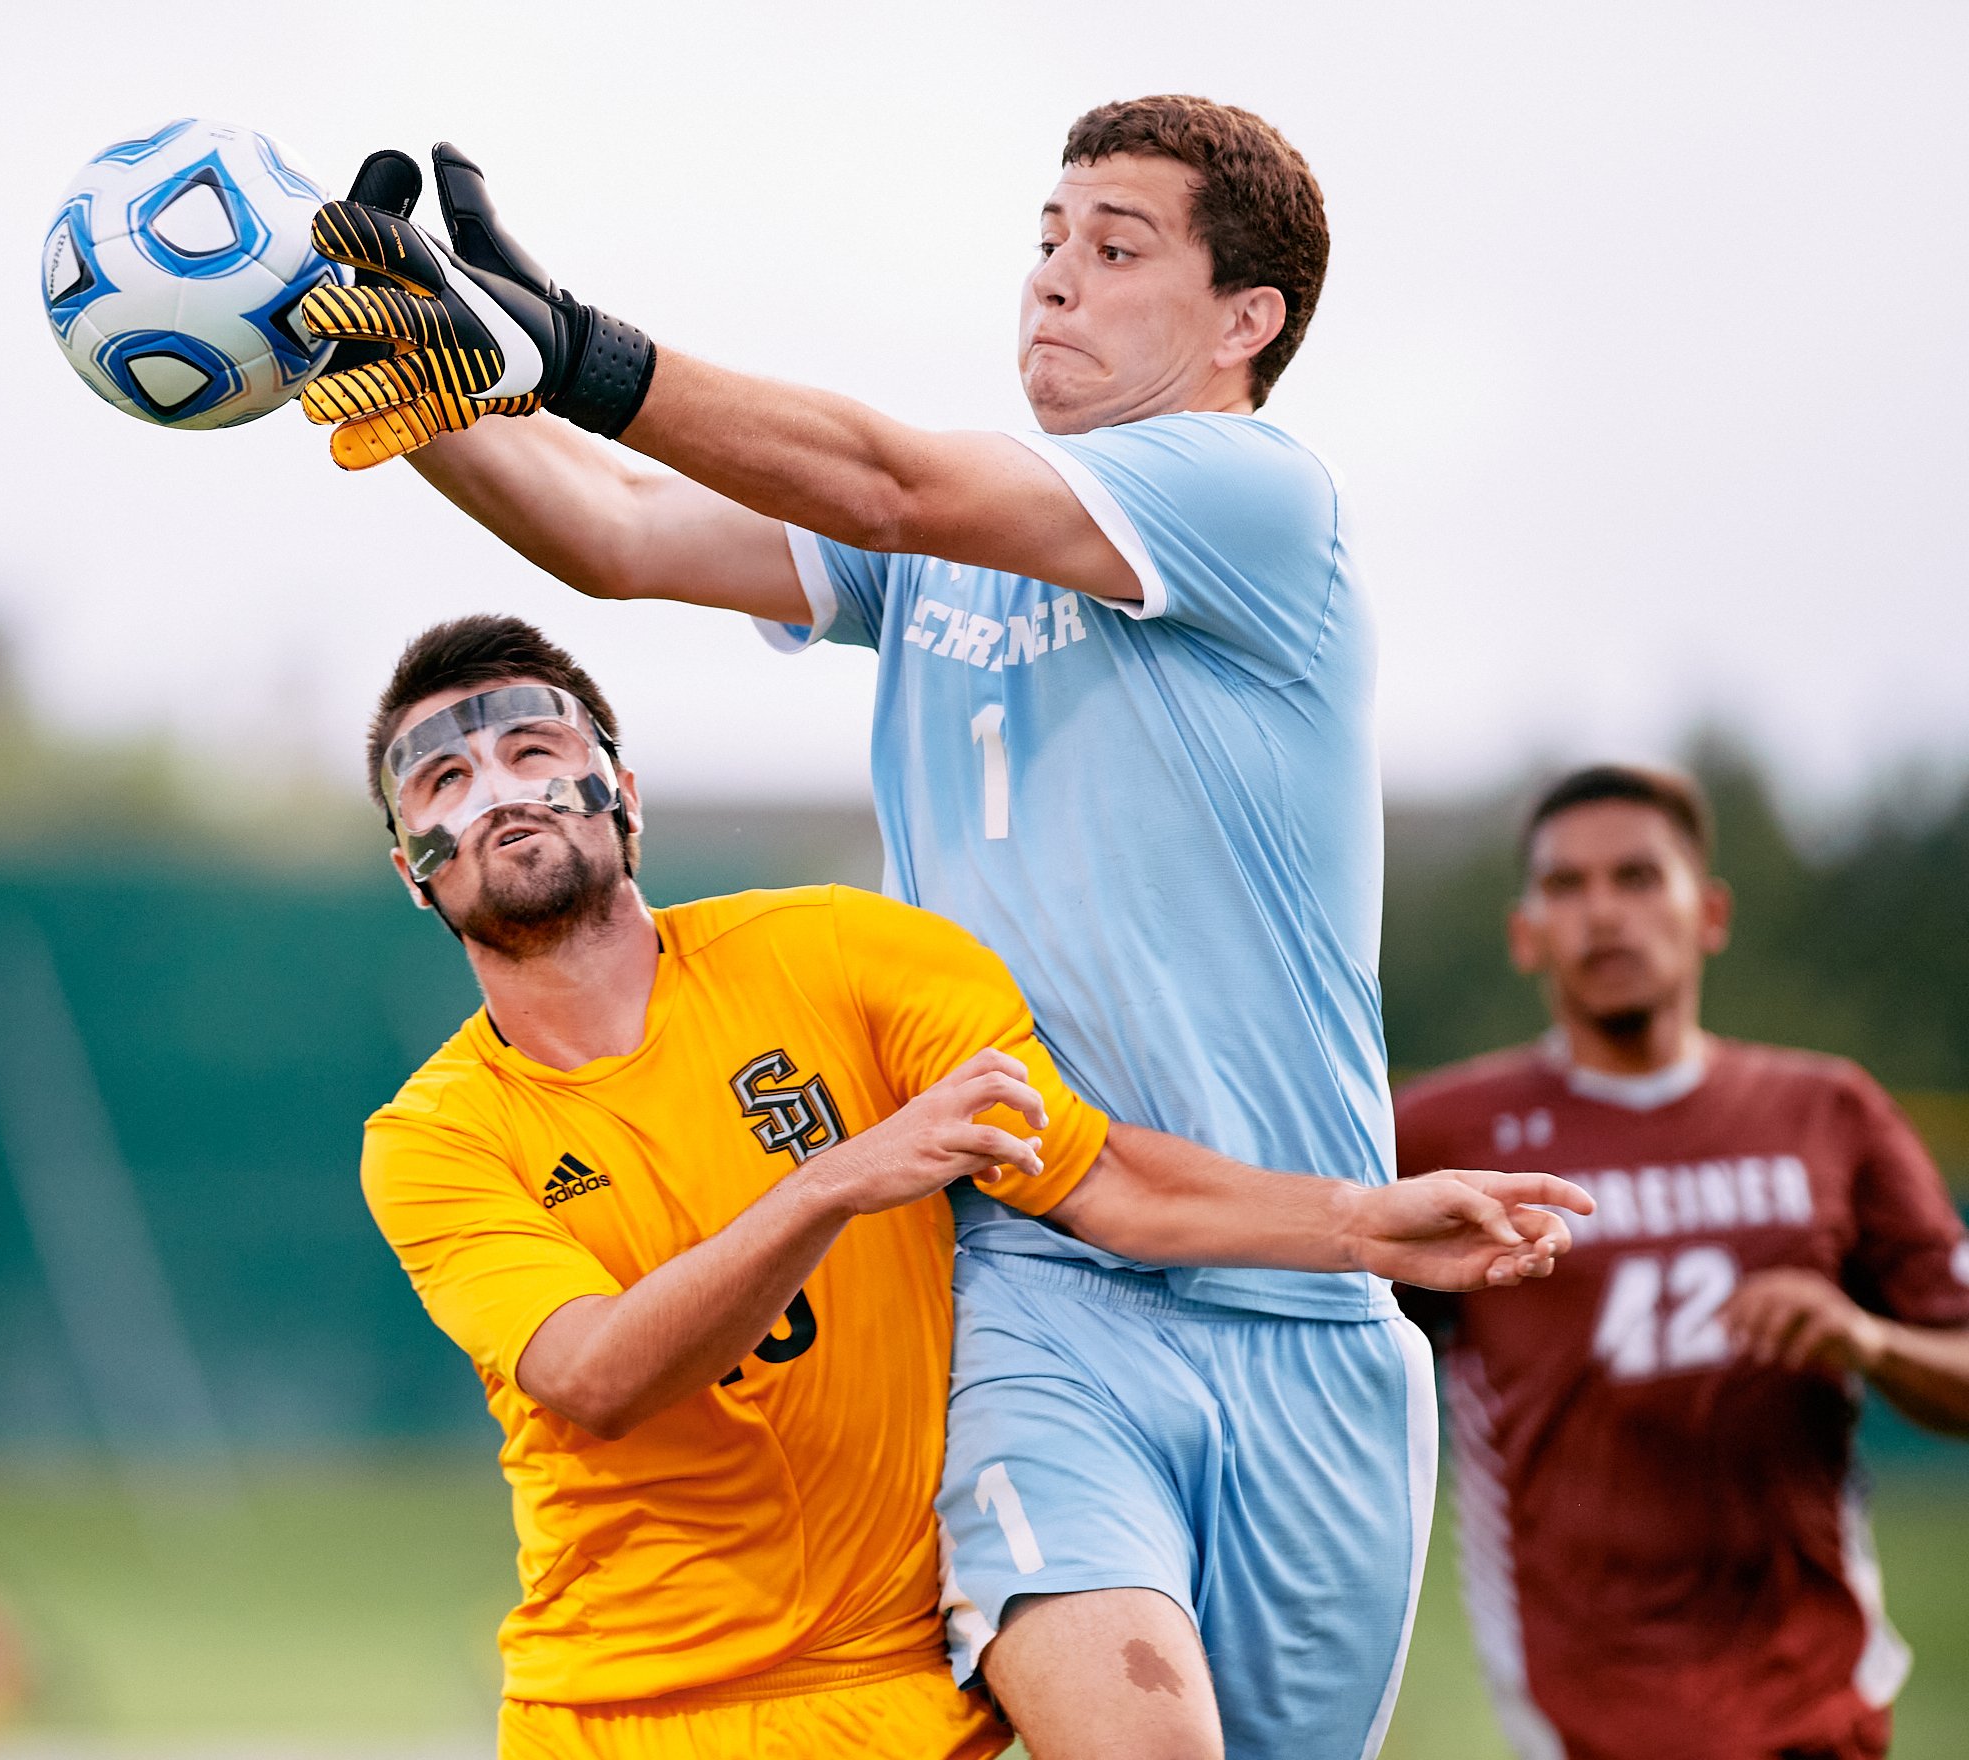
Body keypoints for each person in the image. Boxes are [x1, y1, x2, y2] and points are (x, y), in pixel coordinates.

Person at [297, 95, 1432, 1758]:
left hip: (1296, 1278)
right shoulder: (937, 561)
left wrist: (573, 351)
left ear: (1244, 324)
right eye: (1046, 240)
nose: (1054, 279)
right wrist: (407, 368)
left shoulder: (1254, 500)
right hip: (1041, 1274)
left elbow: (890, 481)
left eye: (1114, 250)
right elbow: (614, 536)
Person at [358, 615, 1585, 1759]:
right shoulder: (435, 1134)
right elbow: (596, 1372)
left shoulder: (838, 951)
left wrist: (1364, 1222)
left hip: (895, 1691)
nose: (501, 792)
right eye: (445, 782)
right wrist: (834, 1182)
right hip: (616, 1706)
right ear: (415, 867)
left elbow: (1096, 1173)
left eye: (534, 748)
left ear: (622, 795)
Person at [1395, 764, 1969, 1760]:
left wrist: (1865, 1337)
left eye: (1635, 875)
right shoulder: (1444, 1134)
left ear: (1708, 911)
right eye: (1565, 886)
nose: (1602, 913)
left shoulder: (1830, 1111)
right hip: (1583, 1700)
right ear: (1523, 931)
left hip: (1813, 1686)